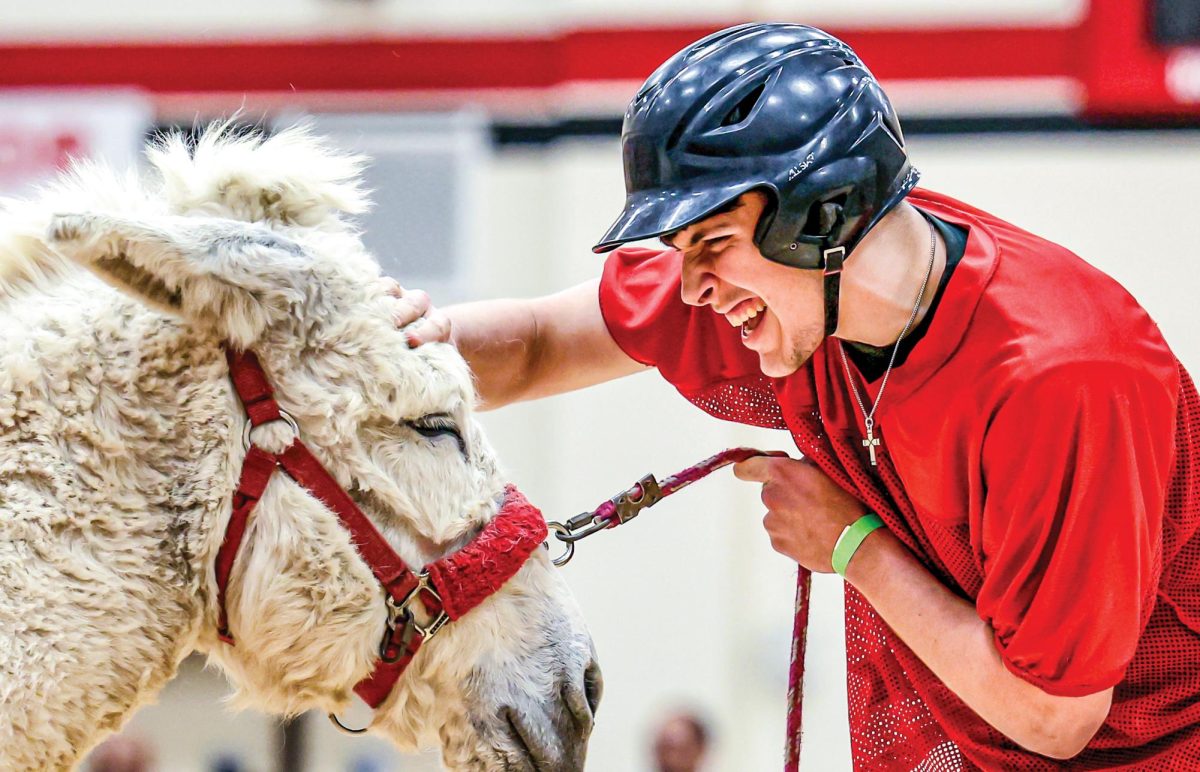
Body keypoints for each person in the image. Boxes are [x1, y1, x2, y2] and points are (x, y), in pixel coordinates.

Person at [391, 23, 1200, 770]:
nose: (693, 287)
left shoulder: (1061, 378)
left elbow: (1056, 715)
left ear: (828, 213)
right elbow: (538, 345)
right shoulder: (798, 295)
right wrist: (377, 355)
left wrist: (853, 547)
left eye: (709, 242)